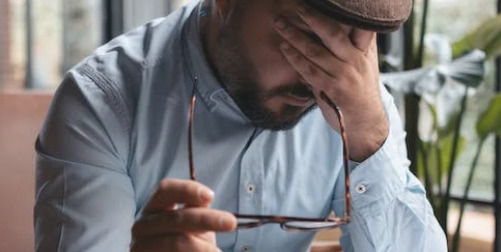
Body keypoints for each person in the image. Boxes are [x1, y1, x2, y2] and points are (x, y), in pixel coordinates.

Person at [34, 0, 448, 251]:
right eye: (305, 36)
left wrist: (370, 140)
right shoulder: (102, 102)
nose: (320, 75)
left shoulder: (355, 99)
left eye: (348, 45)